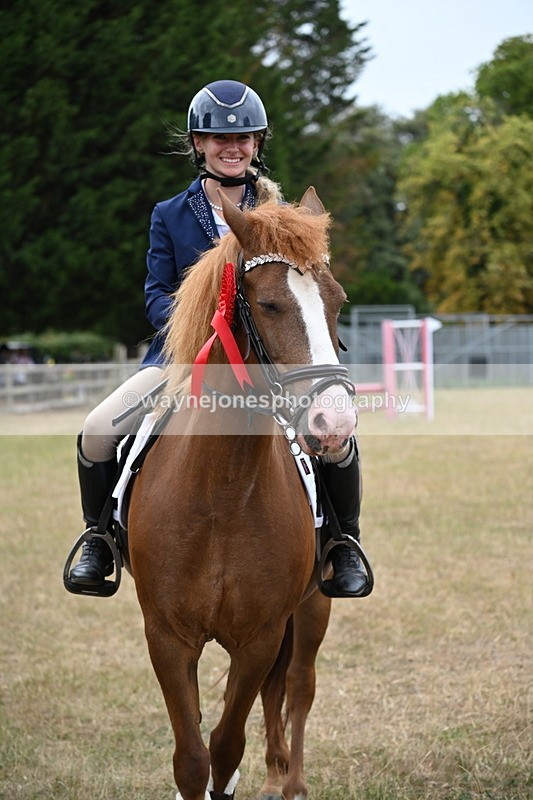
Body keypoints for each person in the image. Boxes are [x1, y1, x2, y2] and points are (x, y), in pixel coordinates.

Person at [68, 80, 367, 597]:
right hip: (181, 360)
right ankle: (99, 538)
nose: (233, 147)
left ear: (257, 144)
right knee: (97, 429)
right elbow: (157, 293)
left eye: (245, 138)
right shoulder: (170, 215)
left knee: (338, 441)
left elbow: (306, 288)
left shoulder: (281, 215)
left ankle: (344, 544)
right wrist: (205, 324)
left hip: (268, 363)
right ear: (198, 145)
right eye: (218, 138)